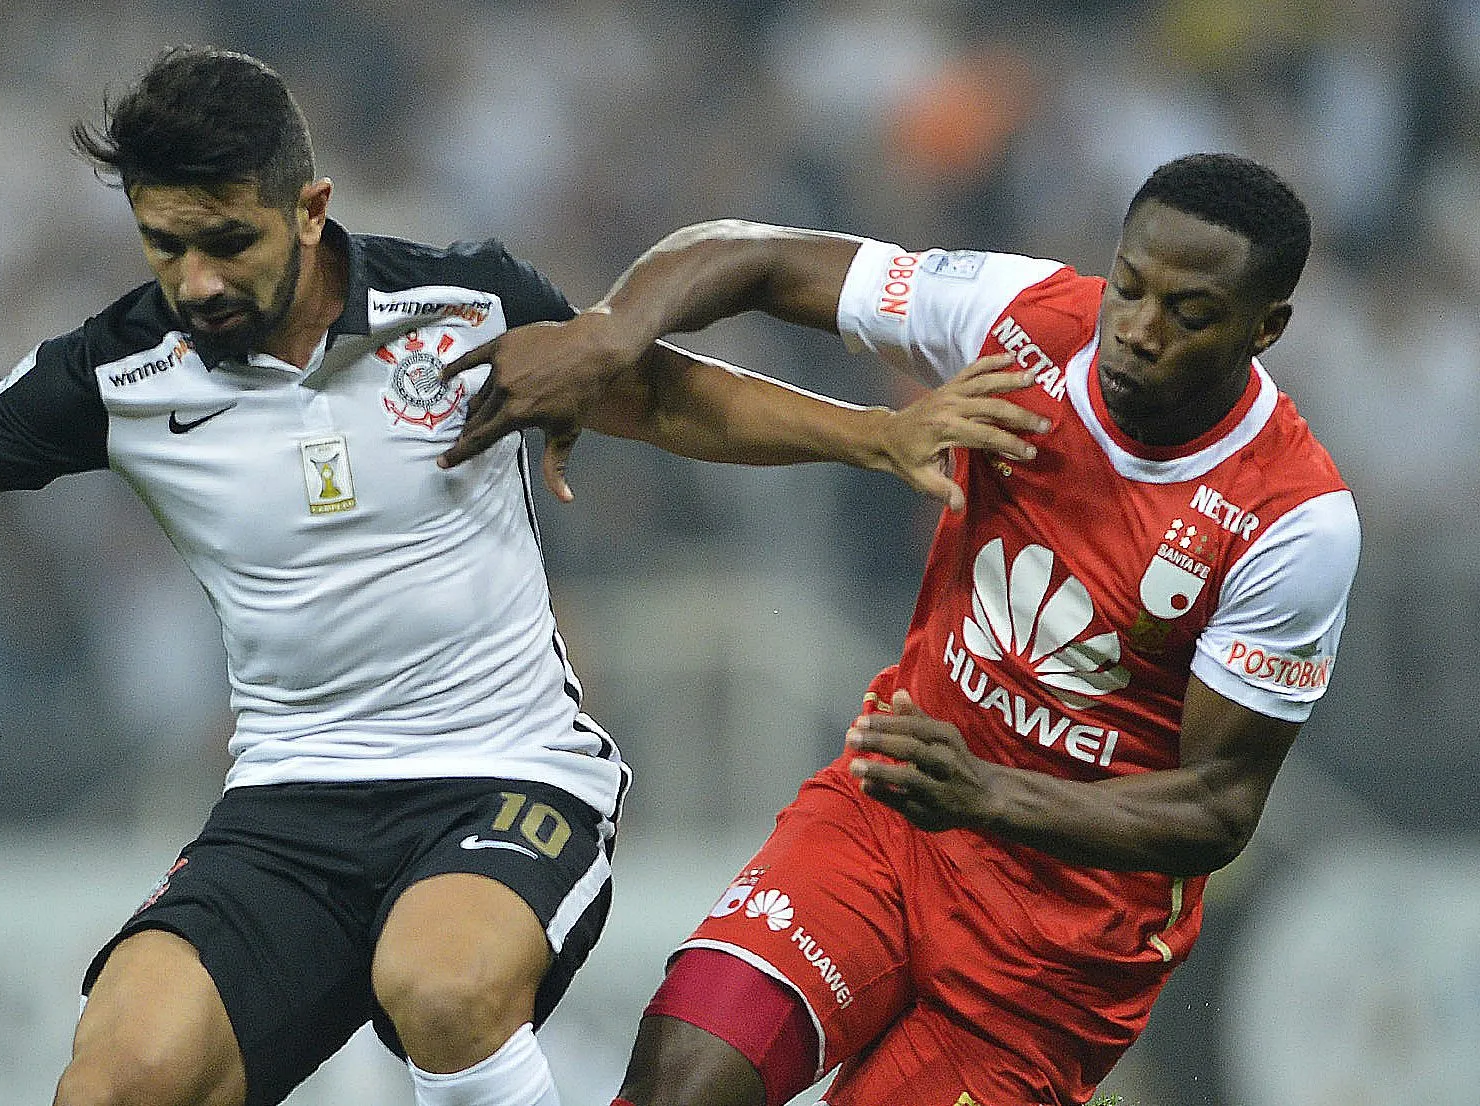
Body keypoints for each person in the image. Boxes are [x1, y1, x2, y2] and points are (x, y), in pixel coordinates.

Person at [0, 46, 1046, 1106]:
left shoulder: (464, 306)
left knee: (444, 985)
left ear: (308, 207)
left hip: (508, 774)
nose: (193, 279)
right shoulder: (120, 367)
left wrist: (872, 438)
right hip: (291, 803)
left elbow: (653, 395)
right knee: (119, 1069)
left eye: (224, 241)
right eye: (164, 242)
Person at [436, 152, 1360, 1106]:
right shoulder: (1025, 321)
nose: (1138, 330)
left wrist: (985, 792)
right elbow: (756, 256)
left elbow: (1216, 810)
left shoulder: (1294, 521)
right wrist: (607, 333)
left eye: (1190, 314)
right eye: (1129, 287)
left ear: (1266, 327)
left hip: (1057, 954)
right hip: (887, 824)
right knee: (680, 1085)